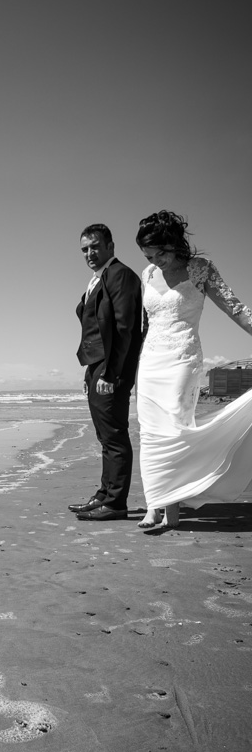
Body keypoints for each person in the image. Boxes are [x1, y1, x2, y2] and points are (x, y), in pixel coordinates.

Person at [135, 210, 252, 529]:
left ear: (175, 244)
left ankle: (171, 511)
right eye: (149, 254)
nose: (156, 260)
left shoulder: (201, 270)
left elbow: (236, 309)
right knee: (149, 433)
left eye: (161, 252)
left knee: (173, 430)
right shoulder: (147, 274)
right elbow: (147, 324)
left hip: (183, 360)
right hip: (150, 362)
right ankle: (154, 504)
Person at [71, 223, 144, 520]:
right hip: (97, 365)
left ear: (111, 247)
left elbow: (126, 329)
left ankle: (115, 503)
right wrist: (91, 371)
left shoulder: (121, 275)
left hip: (111, 368)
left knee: (113, 435)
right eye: (85, 249)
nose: (90, 253)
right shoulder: (98, 278)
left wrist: (109, 374)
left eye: (95, 247)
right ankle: (105, 493)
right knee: (105, 436)